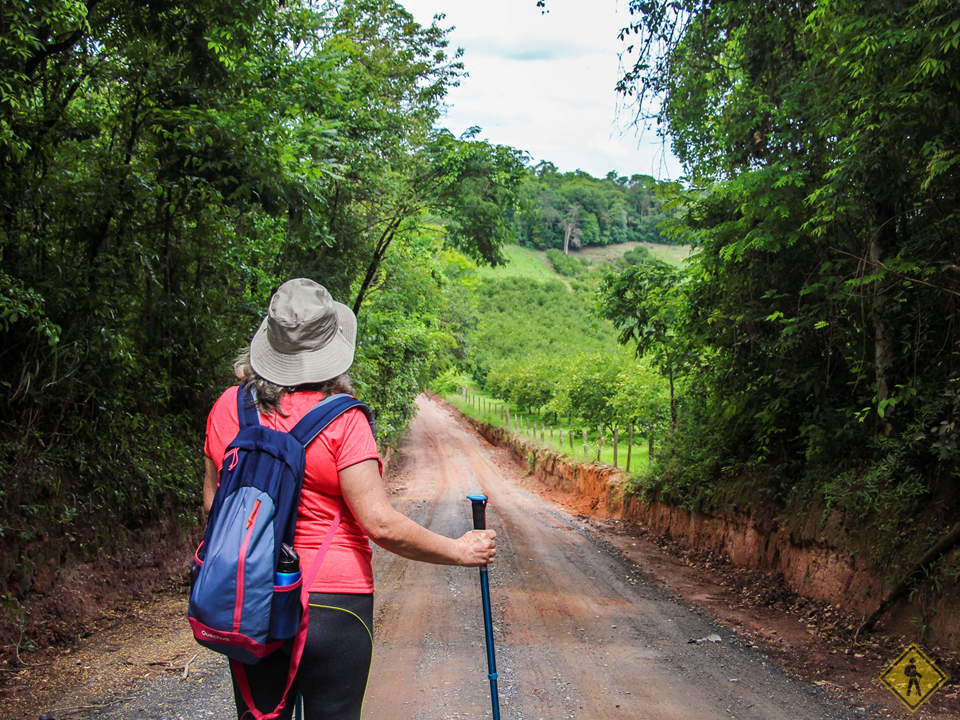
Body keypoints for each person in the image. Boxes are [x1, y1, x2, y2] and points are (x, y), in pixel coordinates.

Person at [202, 278, 497, 720]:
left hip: (249, 595)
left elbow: (214, 507)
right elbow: (379, 524)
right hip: (333, 601)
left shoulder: (229, 407)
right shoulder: (344, 419)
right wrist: (458, 550)